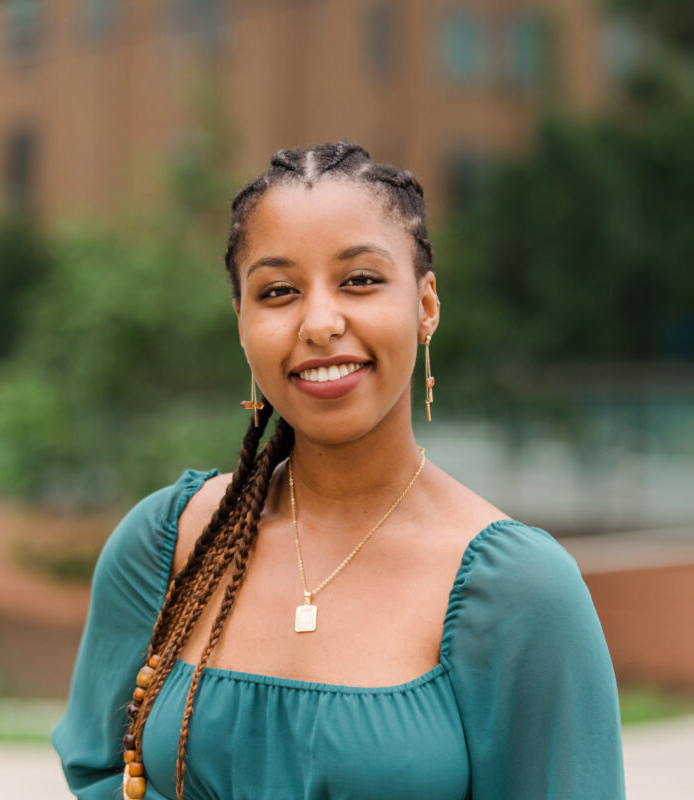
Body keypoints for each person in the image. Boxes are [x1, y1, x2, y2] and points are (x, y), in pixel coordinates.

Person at [51, 141, 626, 800]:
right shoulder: (168, 544)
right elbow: (100, 774)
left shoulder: (521, 592)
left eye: (360, 280)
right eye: (278, 291)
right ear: (241, 321)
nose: (321, 323)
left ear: (426, 304)